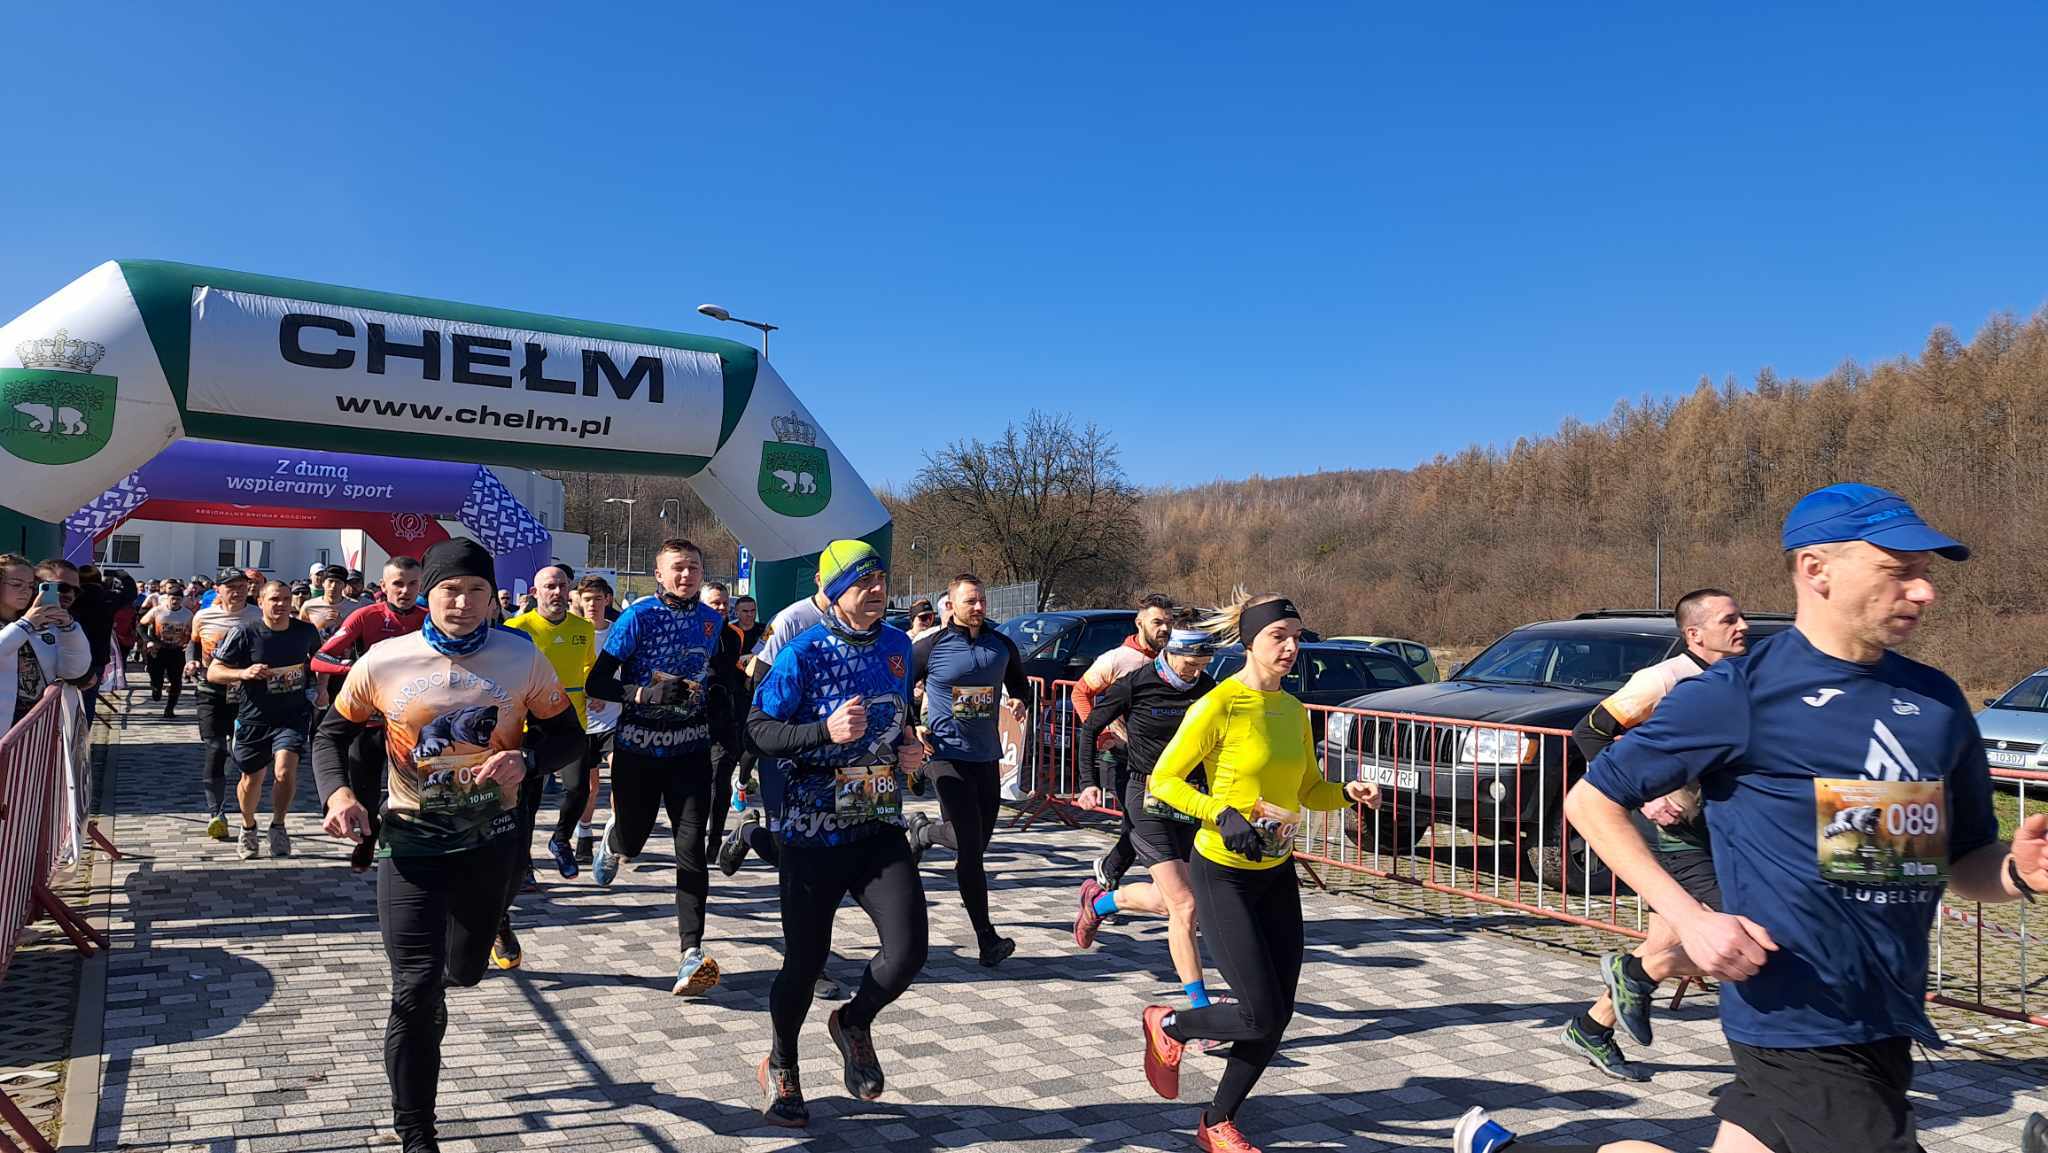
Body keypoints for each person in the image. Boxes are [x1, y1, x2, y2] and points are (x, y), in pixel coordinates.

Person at [1452, 484, 2047, 1153]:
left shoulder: (1935, 699)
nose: (1923, 591)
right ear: (1816, 569)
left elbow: (1961, 860)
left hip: (1887, 1010)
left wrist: (2017, 870)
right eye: (1897, 570)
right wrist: (1691, 919)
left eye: (1925, 573)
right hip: (1797, 1013)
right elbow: (1592, 802)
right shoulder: (1742, 692)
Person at [313, 538, 581, 1153]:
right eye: (449, 591)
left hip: (492, 843)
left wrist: (527, 759)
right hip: (410, 844)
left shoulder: (521, 656)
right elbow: (330, 735)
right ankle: (417, 1132)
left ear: (493, 598)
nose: (462, 602)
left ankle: (477, 949)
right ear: (427, 595)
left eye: (476, 591)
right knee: (415, 987)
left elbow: (569, 737)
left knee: (463, 971)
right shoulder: (385, 660)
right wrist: (338, 794)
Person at [1139, 590, 1378, 1153]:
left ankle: (1217, 1120)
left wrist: (1347, 792)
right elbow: (1163, 781)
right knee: (1258, 1012)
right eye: (1278, 637)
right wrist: (1220, 813)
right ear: (1250, 641)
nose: (1291, 647)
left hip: (1275, 872)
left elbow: (1307, 791)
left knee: (1277, 1014)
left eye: (1296, 637)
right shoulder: (1219, 704)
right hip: (1223, 873)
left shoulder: (1293, 710)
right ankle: (1169, 1025)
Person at [746, 538, 928, 1126]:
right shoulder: (801, 652)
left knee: (908, 953)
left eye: (880, 579)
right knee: (805, 963)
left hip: (877, 821)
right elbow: (758, 731)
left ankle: (853, 1021)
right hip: (813, 829)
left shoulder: (898, 645)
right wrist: (824, 732)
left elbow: (900, 720)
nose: (875, 590)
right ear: (830, 590)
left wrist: (910, 749)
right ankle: (782, 1063)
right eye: (861, 582)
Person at [1559, 588, 1751, 1081]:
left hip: (1713, 829)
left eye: (1741, 617)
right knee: (1745, 932)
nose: (1743, 626)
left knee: (1665, 937)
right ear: (1694, 633)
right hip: (1676, 835)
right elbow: (1589, 731)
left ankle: (1592, 1027)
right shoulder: (1663, 678)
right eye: (1729, 620)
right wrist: (1646, 796)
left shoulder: (1738, 677)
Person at [585, 538, 740, 996]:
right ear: (659, 574)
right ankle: (614, 840)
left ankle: (691, 951)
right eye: (677, 568)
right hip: (638, 749)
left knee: (690, 847)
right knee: (634, 840)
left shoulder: (713, 621)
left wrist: (720, 702)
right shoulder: (638, 617)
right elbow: (597, 682)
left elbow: (717, 675)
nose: (686, 575)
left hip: (690, 751)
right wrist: (642, 694)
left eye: (693, 567)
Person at [1071, 626, 1219, 1019]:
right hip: (1145, 795)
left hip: (1189, 798)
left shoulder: (1208, 688)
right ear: (1171, 653)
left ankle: (1099, 903)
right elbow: (1090, 727)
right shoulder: (1136, 683)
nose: (1195, 673)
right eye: (1191, 664)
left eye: (1203, 665)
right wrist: (1088, 783)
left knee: (1172, 902)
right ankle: (1200, 1009)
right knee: (1185, 904)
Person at [904, 573, 1032, 966]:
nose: (977, 607)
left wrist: (1020, 701)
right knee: (970, 848)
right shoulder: (929, 647)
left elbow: (1021, 685)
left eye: (981, 601)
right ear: (951, 605)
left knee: (975, 843)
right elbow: (899, 690)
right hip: (945, 755)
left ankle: (922, 832)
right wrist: (914, 726)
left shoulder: (1001, 645)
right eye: (969, 601)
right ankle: (987, 939)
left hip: (986, 756)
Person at [312, 557, 428, 874]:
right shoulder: (366, 616)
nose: (405, 591)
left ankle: (396, 848)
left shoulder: (429, 619)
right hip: (368, 723)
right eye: (398, 584)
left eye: (413, 584)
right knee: (364, 794)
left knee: (410, 795)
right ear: (384, 585)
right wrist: (356, 670)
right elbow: (320, 659)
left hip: (411, 727)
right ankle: (367, 839)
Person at [208, 580, 324, 860]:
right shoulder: (244, 632)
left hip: (293, 715)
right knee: (252, 778)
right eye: (274, 599)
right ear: (260, 602)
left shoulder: (306, 631)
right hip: (254, 718)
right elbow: (214, 672)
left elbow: (320, 660)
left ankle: (278, 825)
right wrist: (243, 673)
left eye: (286, 599)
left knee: (284, 771)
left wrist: (321, 688)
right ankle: (248, 826)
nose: (281, 604)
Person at [502, 565, 597, 905]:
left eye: (562, 586)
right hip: (530, 727)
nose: (557, 592)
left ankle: (560, 839)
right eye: (549, 587)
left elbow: (587, 667)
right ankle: (524, 864)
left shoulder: (583, 628)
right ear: (535, 592)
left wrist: (594, 690)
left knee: (579, 789)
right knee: (527, 801)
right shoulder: (516, 629)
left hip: (571, 724)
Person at [1070, 593, 1177, 890]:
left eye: (1169, 622)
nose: (1164, 629)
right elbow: (1080, 692)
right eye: (1157, 622)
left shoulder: (1172, 658)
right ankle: (1112, 875)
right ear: (1139, 622)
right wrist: (1101, 731)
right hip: (1122, 757)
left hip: (1161, 759)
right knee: (1140, 825)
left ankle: (1113, 871)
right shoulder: (1117, 659)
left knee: (1156, 824)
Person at [187, 569, 262, 840]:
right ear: (217, 589)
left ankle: (246, 809)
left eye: (242, 586)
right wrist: (191, 660)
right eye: (231, 587)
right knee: (216, 748)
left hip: (247, 693)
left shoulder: (258, 616)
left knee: (242, 752)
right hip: (211, 690)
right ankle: (216, 813)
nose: (238, 591)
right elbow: (193, 644)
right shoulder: (203, 616)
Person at [0, 553, 87, 736]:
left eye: (30, 586)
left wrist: (69, 629)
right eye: (16, 584)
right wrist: (25, 624)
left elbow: (73, 671)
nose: (26, 591)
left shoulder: (40, 623)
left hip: (37, 729)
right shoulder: (27, 623)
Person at [566, 575, 617, 863]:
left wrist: (609, 692)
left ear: (607, 600)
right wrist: (587, 693)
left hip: (614, 719)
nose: (593, 604)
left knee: (622, 779)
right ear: (578, 601)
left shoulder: (618, 632)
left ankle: (614, 833)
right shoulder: (574, 632)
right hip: (582, 721)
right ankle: (584, 832)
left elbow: (629, 670)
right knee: (589, 786)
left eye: (598, 599)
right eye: (587, 599)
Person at [699, 581, 750, 850]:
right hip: (695, 716)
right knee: (698, 781)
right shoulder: (692, 630)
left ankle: (714, 839)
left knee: (720, 780)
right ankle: (693, 835)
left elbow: (735, 670)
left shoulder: (734, 634)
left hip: (726, 717)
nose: (720, 608)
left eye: (724, 603)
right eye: (714, 603)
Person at [40, 560, 114, 725]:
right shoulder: (19, 621)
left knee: (84, 711)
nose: (70, 594)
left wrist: (85, 674)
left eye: (76, 590)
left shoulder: (73, 620)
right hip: (20, 722)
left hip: (56, 719)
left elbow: (75, 667)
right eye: (62, 587)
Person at [139, 583, 195, 719]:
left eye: (178, 599)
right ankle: (156, 688)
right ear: (167, 598)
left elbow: (193, 632)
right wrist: (148, 640)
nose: (175, 602)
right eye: (172, 599)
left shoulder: (188, 614)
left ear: (182, 600)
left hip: (177, 650)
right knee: (156, 677)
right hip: (158, 649)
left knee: (176, 681)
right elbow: (141, 626)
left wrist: (188, 644)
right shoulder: (157, 611)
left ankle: (169, 709)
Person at [301, 564, 366, 639]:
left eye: (338, 582)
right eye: (330, 581)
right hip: (318, 646)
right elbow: (301, 634)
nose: (333, 586)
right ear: (323, 583)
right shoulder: (309, 606)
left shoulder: (355, 608)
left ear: (344, 586)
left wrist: (343, 623)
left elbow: (360, 635)